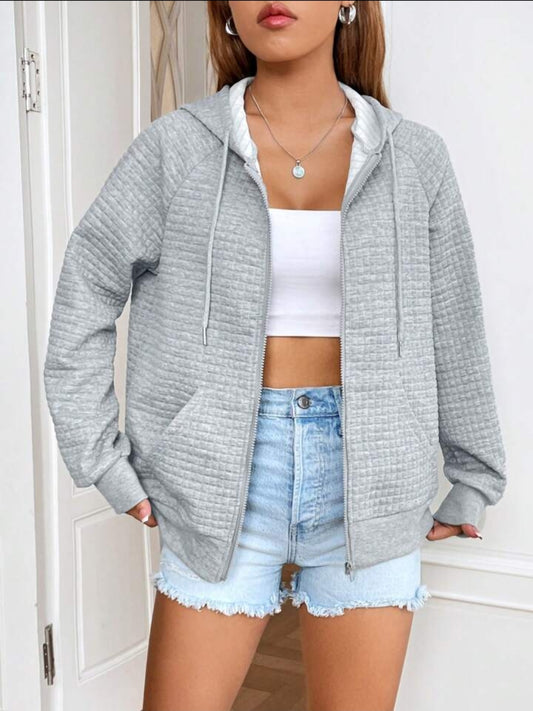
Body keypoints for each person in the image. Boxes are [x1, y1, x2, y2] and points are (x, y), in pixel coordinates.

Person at [43, 1, 507, 710]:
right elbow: (84, 292)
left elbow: (455, 321)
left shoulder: (415, 159)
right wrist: (102, 459)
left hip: (374, 480)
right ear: (226, 12)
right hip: (219, 475)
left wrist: (475, 472)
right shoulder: (175, 149)